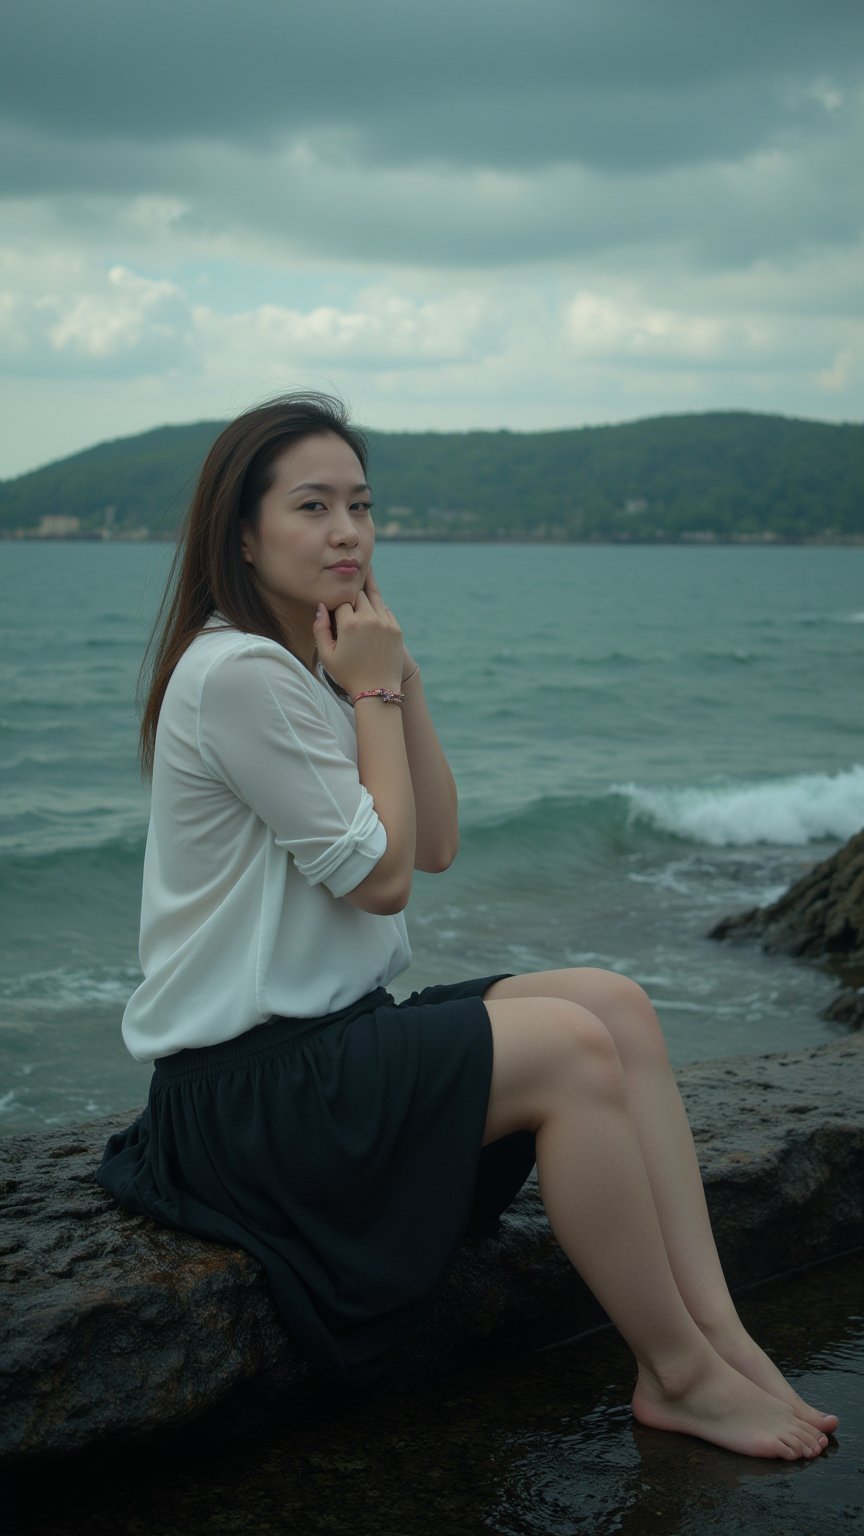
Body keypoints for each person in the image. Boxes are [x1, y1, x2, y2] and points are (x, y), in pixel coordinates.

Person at [98, 393, 837, 1461]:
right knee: (572, 1051)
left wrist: (396, 681)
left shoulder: (306, 668)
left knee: (613, 1004)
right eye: (312, 507)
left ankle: (719, 1336)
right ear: (244, 535)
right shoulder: (236, 676)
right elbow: (387, 881)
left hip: (331, 1046)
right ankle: (676, 1377)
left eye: (360, 503)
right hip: (254, 1096)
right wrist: (372, 700)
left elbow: (434, 841)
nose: (348, 529)